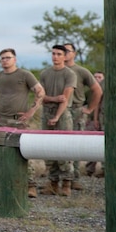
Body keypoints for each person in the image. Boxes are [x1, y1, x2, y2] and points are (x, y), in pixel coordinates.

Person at [0, 48, 46, 198]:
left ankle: (30, 186)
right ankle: (6, 185)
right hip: (1, 121)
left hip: (19, 121)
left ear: (15, 59)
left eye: (8, 58)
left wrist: (31, 111)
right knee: (1, 153)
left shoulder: (24, 75)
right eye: (2, 58)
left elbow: (40, 91)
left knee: (23, 153)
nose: (5, 60)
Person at [61, 43, 102, 189]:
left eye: (67, 51)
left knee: (75, 144)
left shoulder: (81, 71)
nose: (64, 53)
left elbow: (97, 90)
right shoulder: (55, 70)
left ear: (74, 53)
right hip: (58, 110)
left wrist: (90, 109)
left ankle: (74, 178)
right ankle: (57, 178)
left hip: (76, 110)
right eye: (61, 51)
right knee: (58, 144)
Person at [38, 45, 77, 197]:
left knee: (65, 147)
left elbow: (65, 99)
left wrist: (57, 116)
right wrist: (53, 99)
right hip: (47, 112)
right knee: (47, 147)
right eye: (53, 53)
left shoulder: (69, 74)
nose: (55, 56)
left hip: (63, 114)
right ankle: (53, 182)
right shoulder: (45, 73)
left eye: (59, 54)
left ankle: (66, 183)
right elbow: (41, 97)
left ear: (65, 56)